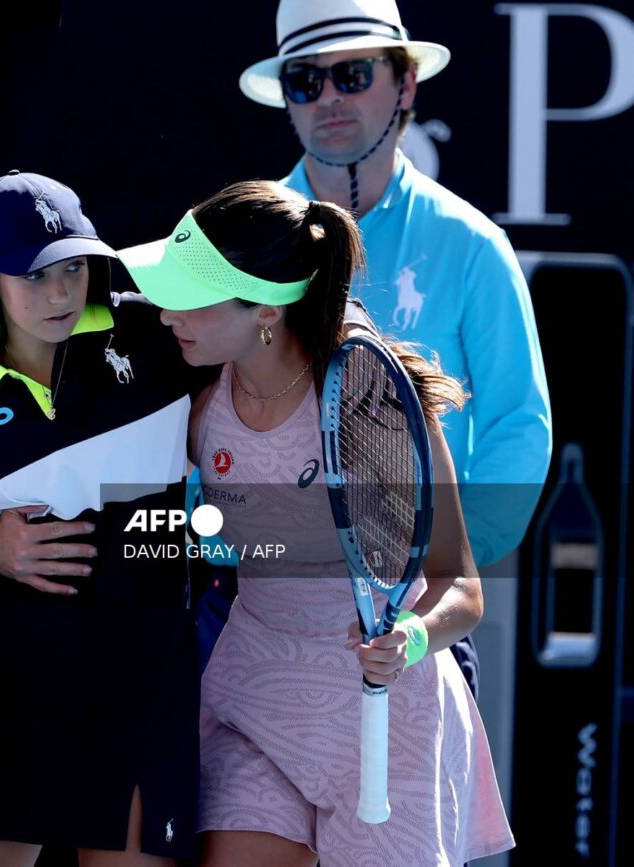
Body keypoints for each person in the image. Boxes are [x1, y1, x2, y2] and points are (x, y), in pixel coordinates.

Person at [117, 178, 514, 866]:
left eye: (189, 293)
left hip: (391, 719)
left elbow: (463, 587)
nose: (164, 310)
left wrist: (413, 638)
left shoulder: (378, 404)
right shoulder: (202, 396)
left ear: (265, 307)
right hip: (255, 697)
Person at [206, 0, 553, 689]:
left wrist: (432, 578)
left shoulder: (473, 246)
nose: (329, 97)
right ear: (287, 100)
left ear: (405, 85)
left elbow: (520, 427)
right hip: (258, 620)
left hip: (414, 631)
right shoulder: (233, 247)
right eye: (306, 81)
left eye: (354, 74)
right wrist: (227, 551)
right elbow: (195, 416)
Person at [0, 172, 200, 865]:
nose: (60, 293)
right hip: (14, 709)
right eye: (34, 276)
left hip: (147, 697)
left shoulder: (159, 340)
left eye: (72, 268)